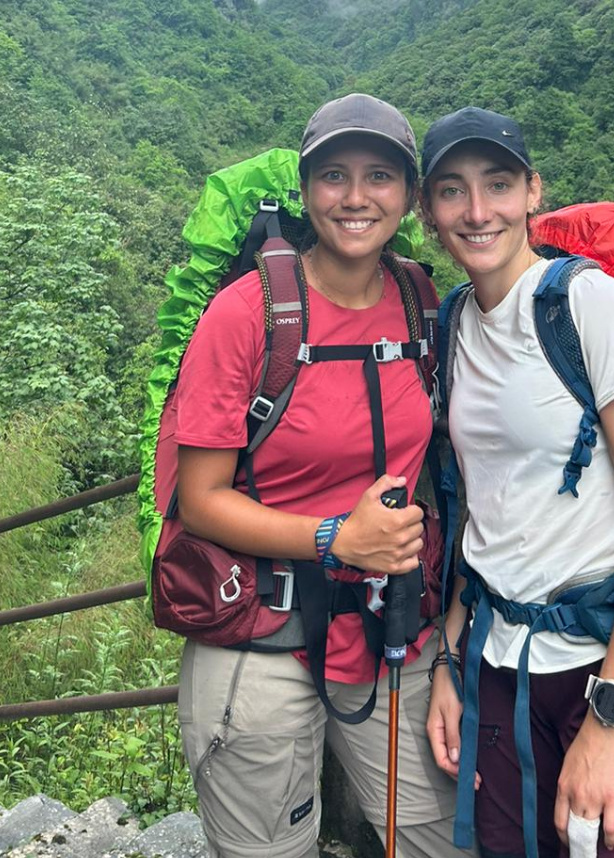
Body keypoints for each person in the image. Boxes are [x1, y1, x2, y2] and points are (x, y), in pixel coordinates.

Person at [174, 93, 467, 858]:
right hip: (260, 633)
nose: (357, 197)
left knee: (441, 841)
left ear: (410, 196)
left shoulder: (419, 300)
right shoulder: (247, 316)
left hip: (393, 628)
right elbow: (199, 502)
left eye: (380, 176)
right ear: (306, 192)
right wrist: (339, 537)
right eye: (334, 175)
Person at [422, 107, 614, 858]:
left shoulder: (588, 308)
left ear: (532, 191)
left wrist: (611, 721)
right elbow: (481, 513)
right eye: (452, 191)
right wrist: (450, 660)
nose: (477, 211)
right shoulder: (453, 325)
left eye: (498, 184)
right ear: (428, 211)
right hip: (500, 666)